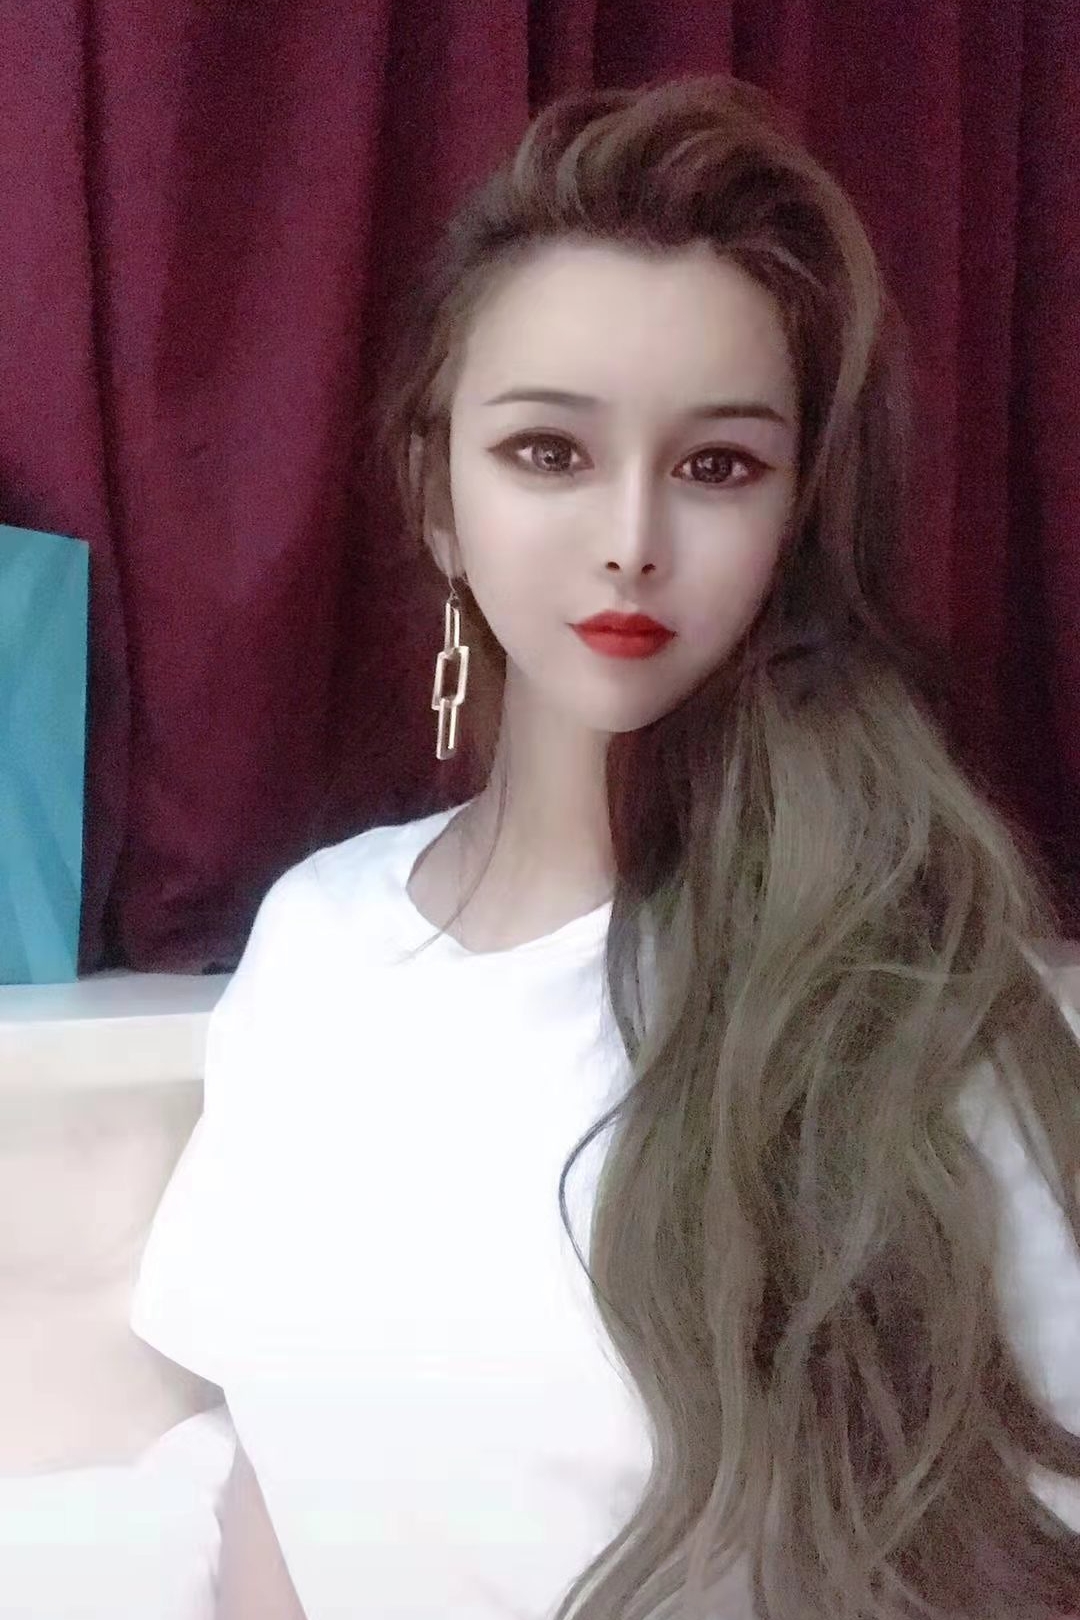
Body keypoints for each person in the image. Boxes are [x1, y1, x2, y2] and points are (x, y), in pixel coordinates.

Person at [129, 74, 1080, 1620]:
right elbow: (273, 1476)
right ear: (437, 494)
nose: (633, 537)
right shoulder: (318, 938)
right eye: (549, 454)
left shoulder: (914, 991)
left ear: (797, 518)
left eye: (718, 466)